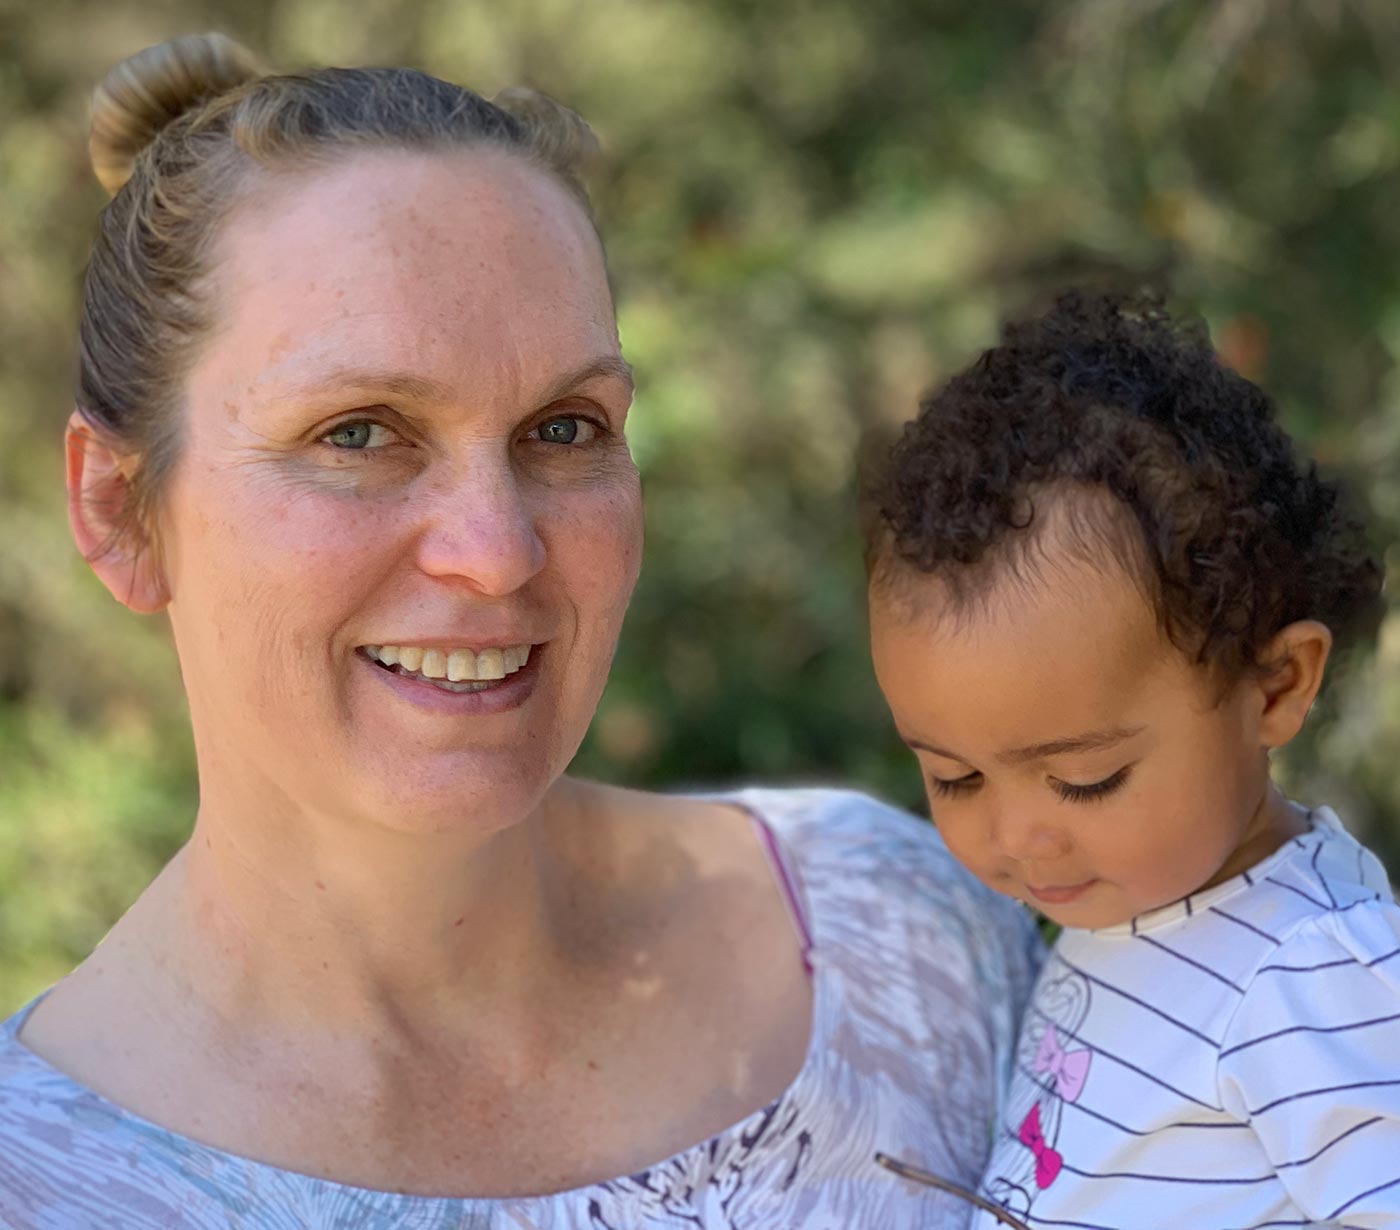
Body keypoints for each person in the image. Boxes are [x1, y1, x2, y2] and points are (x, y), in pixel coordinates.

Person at [0, 32, 1041, 1229]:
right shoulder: (38, 1188)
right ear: (118, 510)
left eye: (563, 428)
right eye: (356, 432)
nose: (496, 552)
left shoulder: (900, 934)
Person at [865, 290, 1400, 1229]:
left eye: (1085, 779)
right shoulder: (1139, 898)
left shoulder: (1314, 975)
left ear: (1274, 687)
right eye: (954, 776)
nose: (1017, 836)